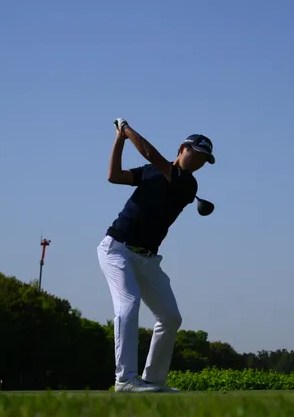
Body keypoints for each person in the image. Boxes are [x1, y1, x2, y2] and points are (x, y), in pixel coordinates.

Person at [97, 118, 215, 393]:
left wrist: (126, 129)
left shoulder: (188, 184)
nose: (199, 161)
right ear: (183, 148)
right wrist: (119, 139)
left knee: (170, 317)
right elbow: (114, 176)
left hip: (148, 260)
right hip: (117, 249)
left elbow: (151, 153)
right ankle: (125, 379)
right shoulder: (151, 171)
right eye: (197, 154)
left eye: (204, 159)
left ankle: (153, 380)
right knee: (128, 305)